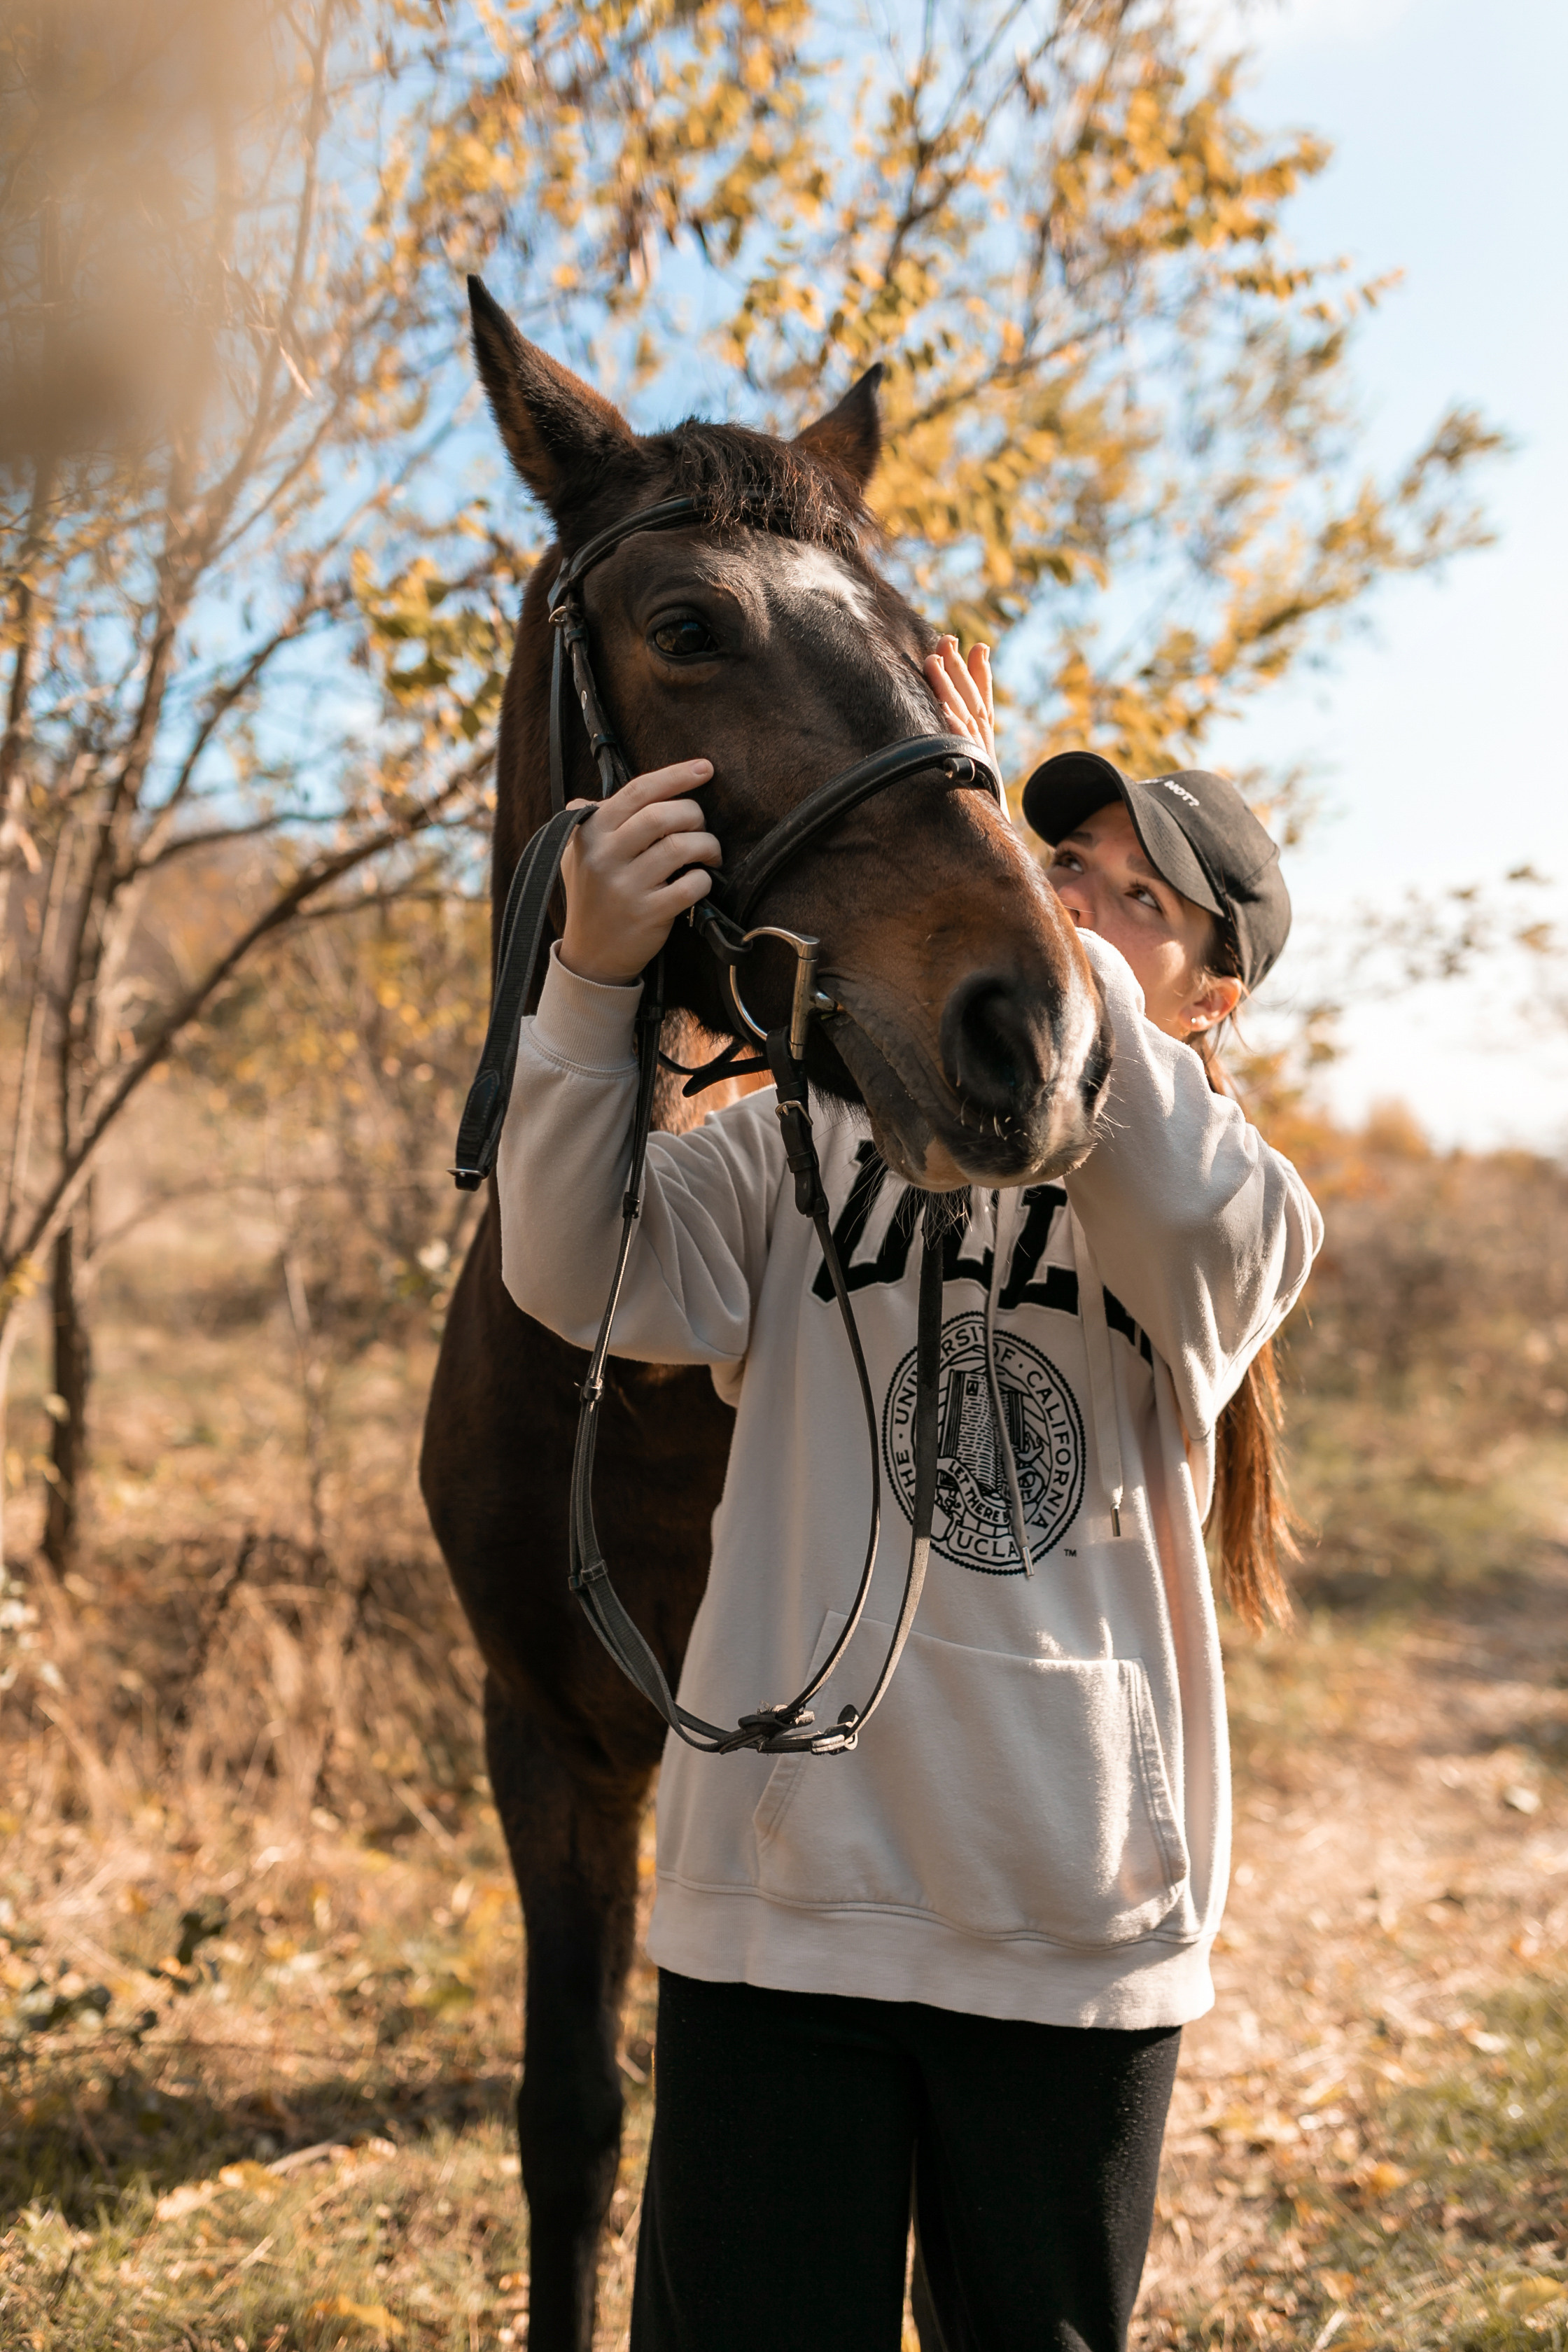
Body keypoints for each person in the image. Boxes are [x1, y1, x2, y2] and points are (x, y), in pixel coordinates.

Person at [496, 638, 1323, 2352]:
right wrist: (585, 985)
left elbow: (1171, 1202)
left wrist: (1014, 901)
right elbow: (571, 1271)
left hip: (1067, 1922)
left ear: (1211, 999)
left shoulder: (1236, 1205)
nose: (1080, 908)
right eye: (1063, 865)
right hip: (777, 1915)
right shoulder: (800, 1149)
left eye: (1129, 902)